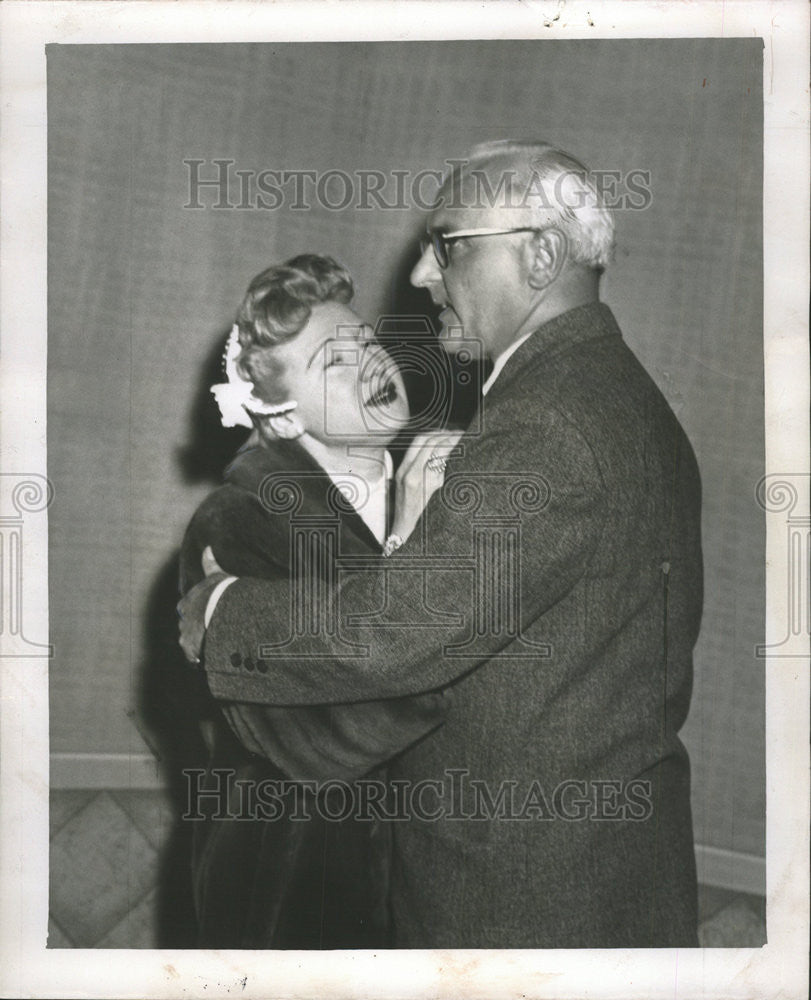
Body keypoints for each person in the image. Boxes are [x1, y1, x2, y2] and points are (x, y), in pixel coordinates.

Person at [179, 140, 704, 948]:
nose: (422, 274)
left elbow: (401, 633)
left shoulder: (544, 424)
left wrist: (223, 613)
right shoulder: (614, 398)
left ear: (538, 255)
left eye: (447, 245)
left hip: (523, 899)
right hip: (549, 879)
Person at [179, 253, 458, 948]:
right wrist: (410, 543)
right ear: (279, 417)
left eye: (363, 340)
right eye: (332, 363)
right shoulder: (237, 521)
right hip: (297, 889)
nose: (367, 360)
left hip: (438, 880)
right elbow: (332, 731)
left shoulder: (445, 482)